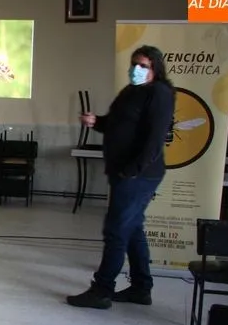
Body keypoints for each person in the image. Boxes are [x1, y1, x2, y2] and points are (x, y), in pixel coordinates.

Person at [68, 45, 175, 309]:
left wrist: (131, 171)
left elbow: (154, 139)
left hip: (138, 175)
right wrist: (97, 122)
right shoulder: (131, 91)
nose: (136, 69)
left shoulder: (159, 93)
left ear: (155, 69)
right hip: (124, 173)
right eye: (134, 64)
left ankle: (102, 290)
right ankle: (141, 288)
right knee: (133, 228)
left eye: (143, 66)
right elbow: (120, 123)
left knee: (116, 231)